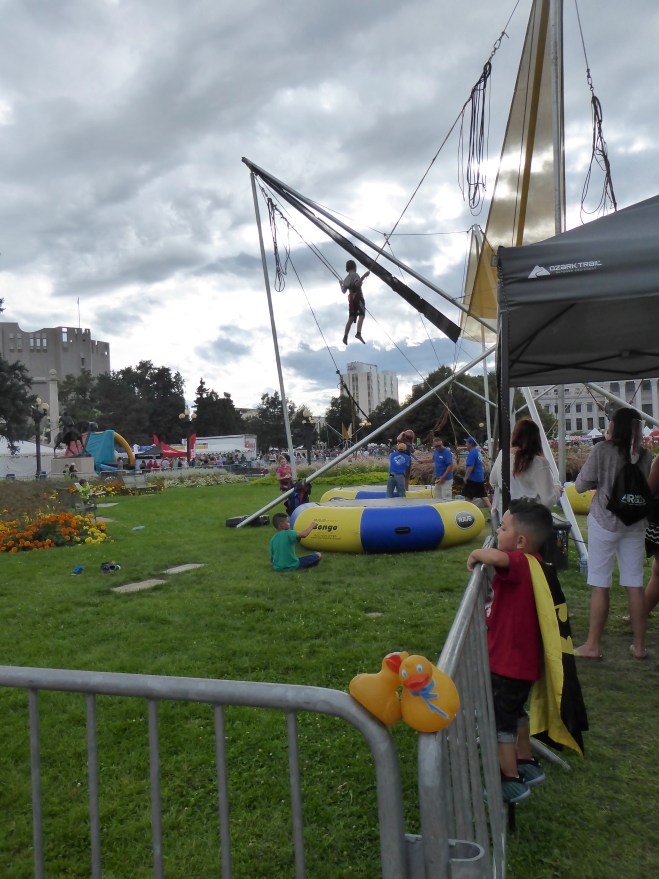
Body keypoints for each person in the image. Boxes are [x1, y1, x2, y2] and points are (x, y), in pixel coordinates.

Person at [467, 498, 554, 802]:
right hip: (521, 666)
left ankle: (509, 778)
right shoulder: (535, 564)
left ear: (520, 541)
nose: (497, 532)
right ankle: (526, 760)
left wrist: (477, 553)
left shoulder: (519, 561)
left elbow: (498, 558)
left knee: (500, 721)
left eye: (502, 528)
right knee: (516, 713)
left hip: (507, 666)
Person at [574, 407, 652, 661]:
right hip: (635, 523)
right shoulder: (646, 455)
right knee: (635, 583)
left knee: (600, 583)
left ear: (614, 427)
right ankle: (639, 647)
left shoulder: (602, 450)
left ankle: (593, 645)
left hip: (605, 521)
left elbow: (580, 484)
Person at [490, 418, 562, 517]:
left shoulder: (503, 454)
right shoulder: (539, 462)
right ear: (537, 438)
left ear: (514, 435)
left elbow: (493, 480)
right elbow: (547, 500)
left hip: (506, 516)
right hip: (530, 519)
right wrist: (558, 490)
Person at [340, 260, 370, 345]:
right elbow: (357, 284)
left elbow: (343, 291)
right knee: (361, 315)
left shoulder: (346, 279)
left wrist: (341, 284)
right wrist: (364, 275)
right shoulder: (355, 275)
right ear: (354, 267)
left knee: (351, 318)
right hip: (358, 298)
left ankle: (345, 336)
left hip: (351, 301)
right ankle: (358, 333)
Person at [463, 436, 491, 509]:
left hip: (472, 478)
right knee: (483, 495)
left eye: (467, 443)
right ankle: (491, 509)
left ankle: (469, 511)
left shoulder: (472, 453)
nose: (465, 444)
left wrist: (466, 477)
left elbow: (470, 467)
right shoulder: (478, 452)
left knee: (468, 497)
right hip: (480, 477)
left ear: (470, 444)